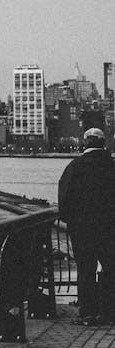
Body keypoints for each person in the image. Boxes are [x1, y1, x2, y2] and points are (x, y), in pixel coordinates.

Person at [58, 128, 115, 325]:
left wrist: (72, 221)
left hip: (82, 229)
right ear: (103, 144)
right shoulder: (112, 167)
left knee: (85, 269)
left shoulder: (74, 167)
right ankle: (109, 312)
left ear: (85, 143)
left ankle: (88, 314)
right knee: (111, 267)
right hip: (110, 229)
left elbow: (64, 199)